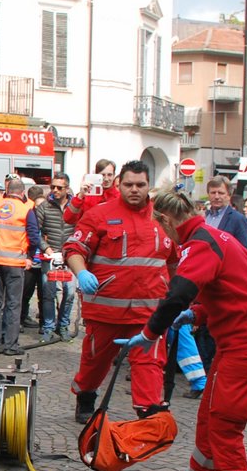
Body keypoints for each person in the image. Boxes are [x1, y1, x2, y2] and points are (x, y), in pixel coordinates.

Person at [125, 190, 247, 471]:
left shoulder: (199, 243)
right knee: (210, 417)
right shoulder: (219, 237)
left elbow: (178, 292)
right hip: (243, 340)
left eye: (162, 230)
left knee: (225, 425)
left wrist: (151, 333)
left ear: (166, 221)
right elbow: (236, 288)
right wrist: (196, 313)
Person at [64, 161, 173, 422]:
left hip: (149, 313)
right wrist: (81, 273)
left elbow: (177, 261)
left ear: (149, 186)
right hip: (106, 312)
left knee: (149, 363)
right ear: (118, 184)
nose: (134, 190)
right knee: (94, 363)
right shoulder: (99, 214)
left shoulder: (164, 218)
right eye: (128, 184)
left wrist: (181, 301)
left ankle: (148, 414)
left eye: (140, 185)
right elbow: (75, 249)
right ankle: (86, 396)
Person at [0, 177, 39, 355]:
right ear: (22, 193)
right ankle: (10, 345)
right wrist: (29, 256)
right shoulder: (26, 208)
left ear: (7, 191)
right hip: (15, 263)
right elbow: (34, 237)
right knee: (13, 304)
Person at [34, 172, 76, 340]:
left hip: (71, 256)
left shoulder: (75, 207)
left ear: (67, 188)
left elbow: (82, 229)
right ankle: (48, 326)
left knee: (70, 292)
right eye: (52, 187)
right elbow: (34, 231)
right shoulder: (44, 206)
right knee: (48, 292)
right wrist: (46, 248)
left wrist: (73, 249)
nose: (55, 190)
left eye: (59, 187)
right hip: (50, 256)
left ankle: (63, 325)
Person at [201, 177, 247, 250]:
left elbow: (245, 250)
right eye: (213, 193)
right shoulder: (204, 216)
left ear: (229, 195)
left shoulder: (237, 219)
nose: (216, 197)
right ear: (208, 194)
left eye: (221, 193)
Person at [63, 159, 117, 224]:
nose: (106, 179)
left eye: (109, 175)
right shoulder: (87, 195)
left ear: (114, 175)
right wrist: (80, 196)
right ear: (96, 175)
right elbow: (68, 219)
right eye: (102, 175)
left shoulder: (119, 197)